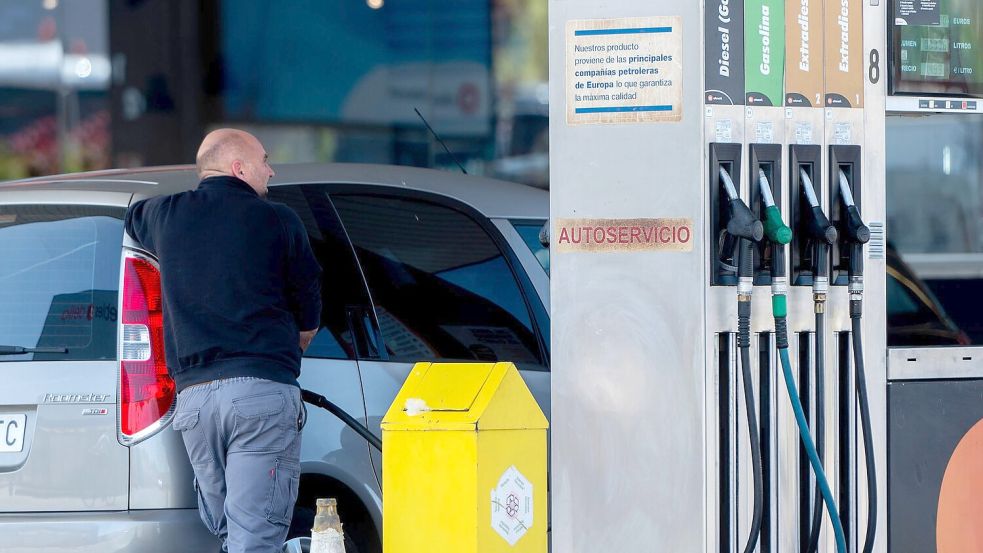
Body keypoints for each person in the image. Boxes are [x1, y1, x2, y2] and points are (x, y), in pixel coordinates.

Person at [124, 129, 322, 552]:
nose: (270, 170)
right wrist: (286, 354)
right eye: (265, 161)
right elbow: (309, 316)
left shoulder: (165, 215)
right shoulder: (279, 220)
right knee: (255, 538)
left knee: (233, 535)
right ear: (239, 168)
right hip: (259, 396)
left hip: (194, 405)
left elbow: (131, 216)